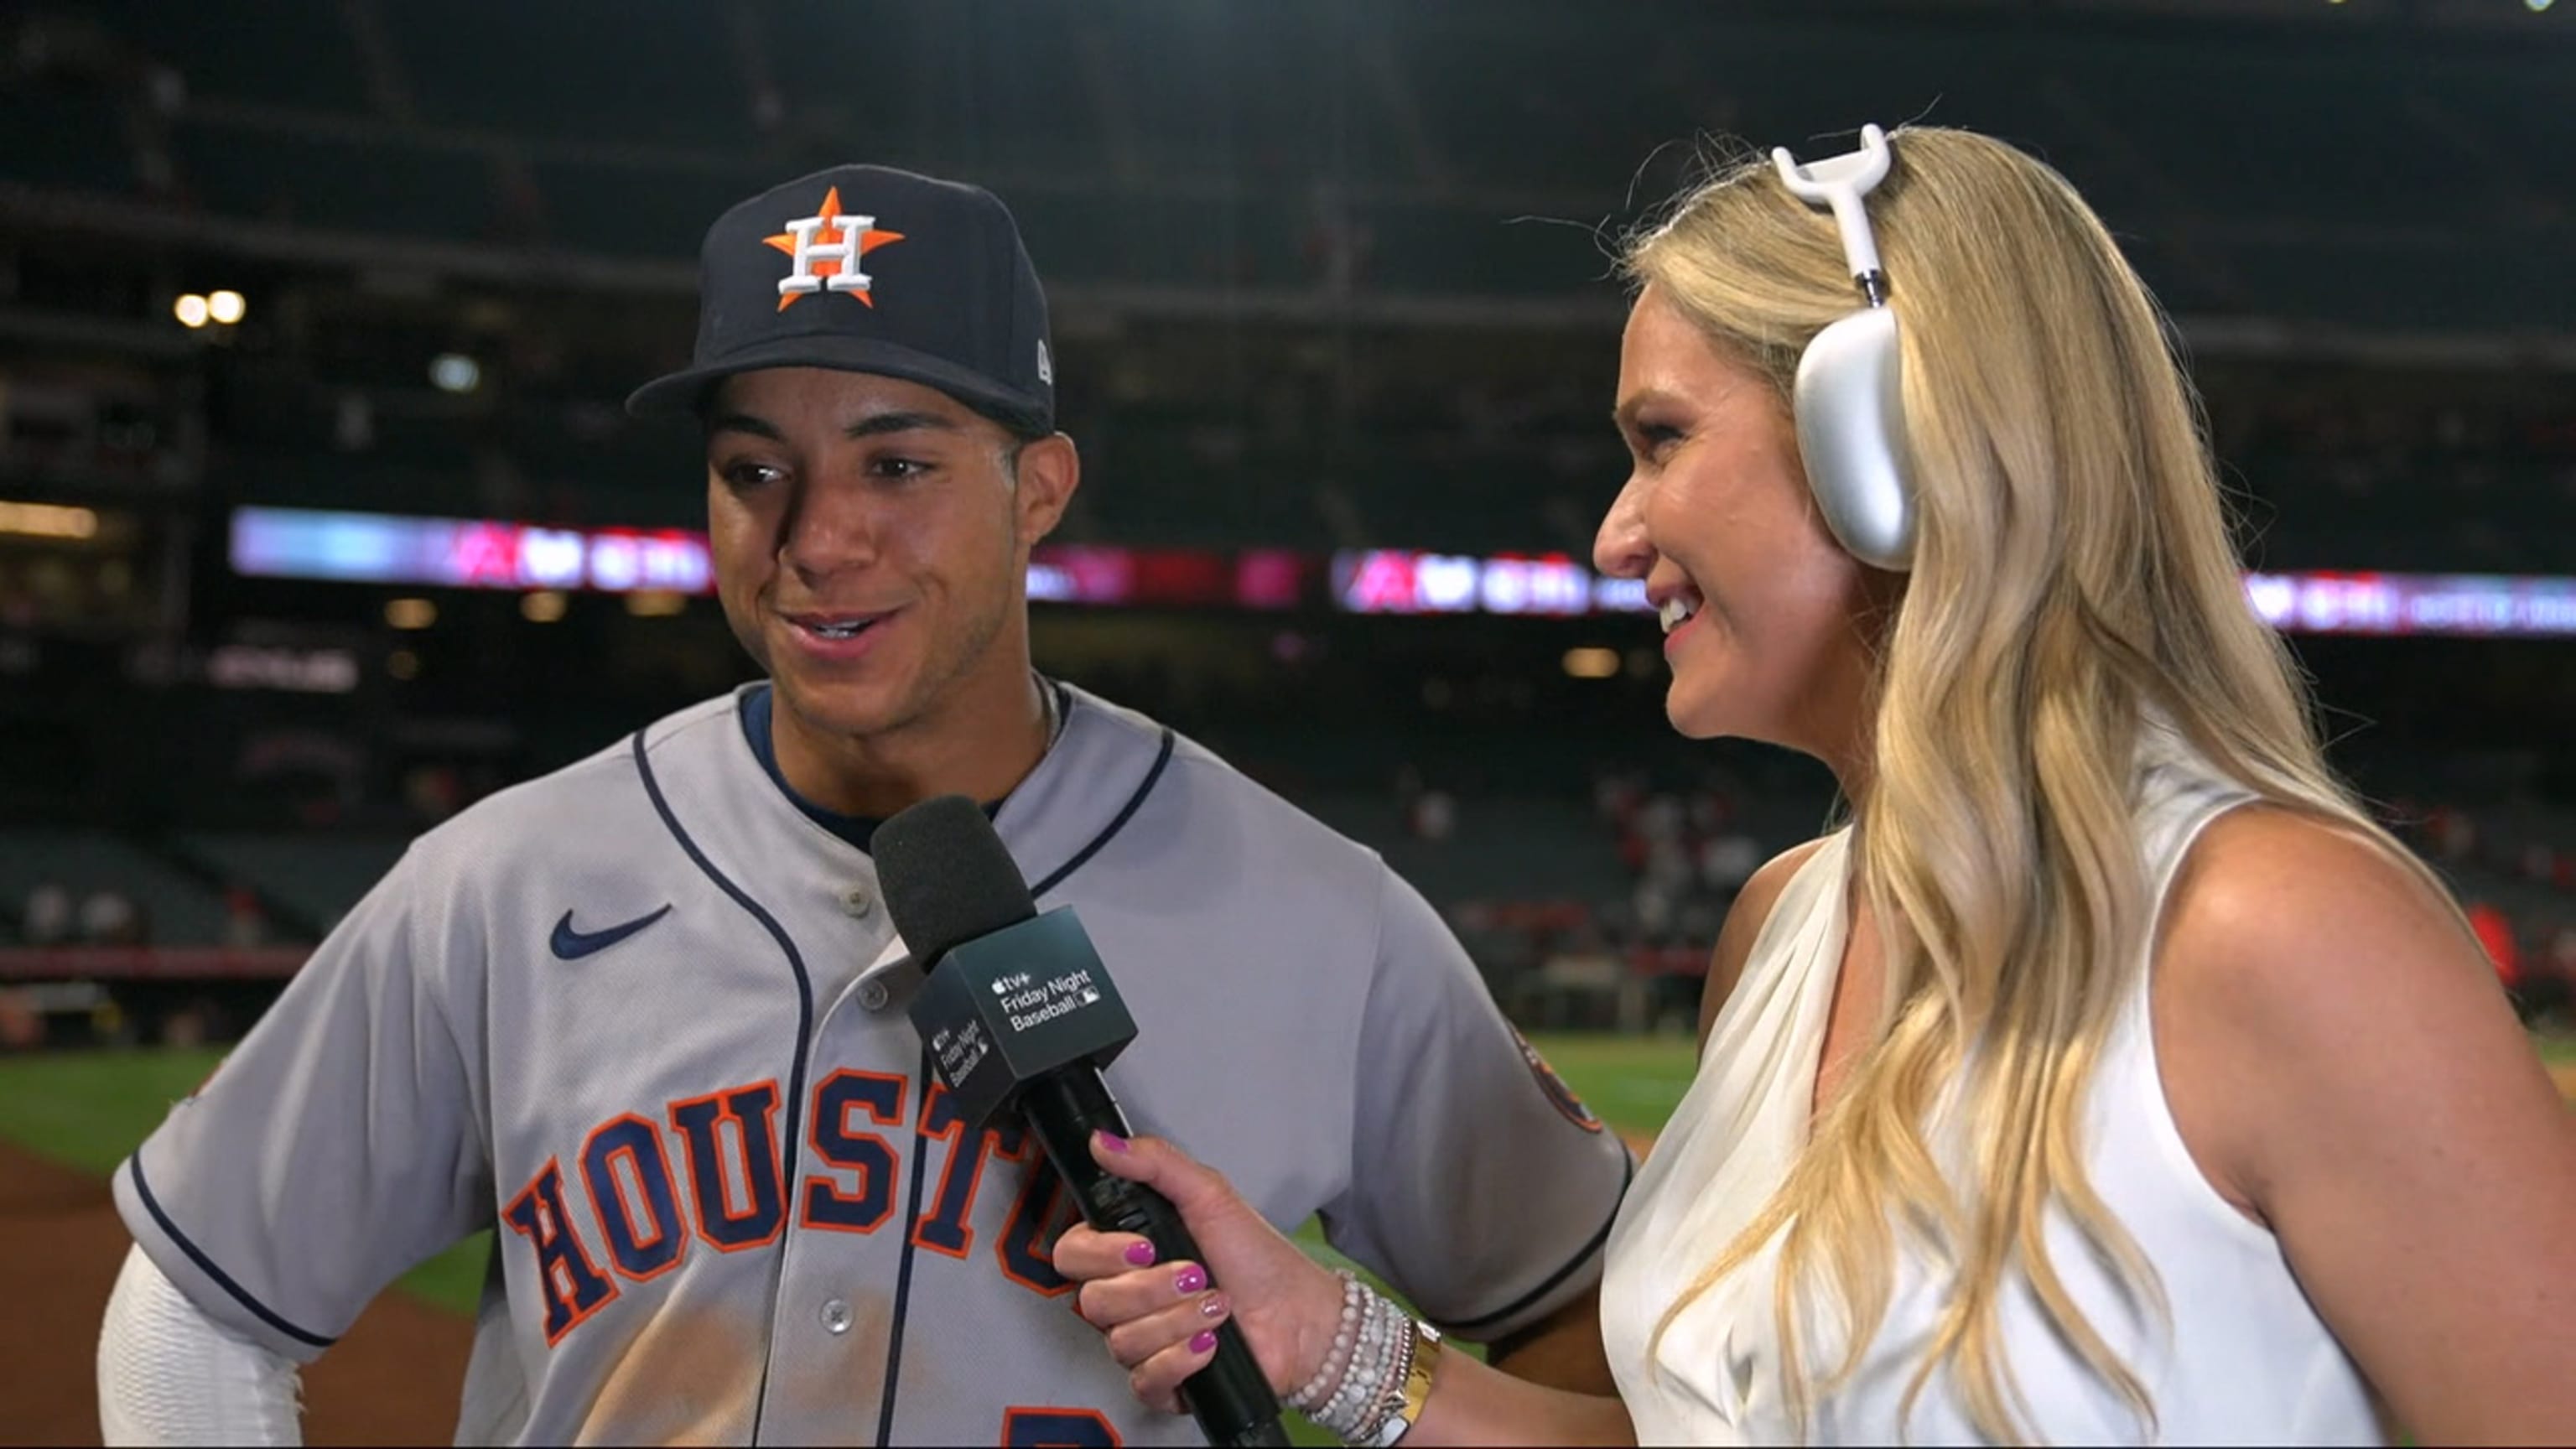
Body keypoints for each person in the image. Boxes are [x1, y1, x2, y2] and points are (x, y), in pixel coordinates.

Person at [1053, 125, 2576, 1446]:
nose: (1614, 534)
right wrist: (1323, 1337)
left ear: (1896, 442)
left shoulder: (2270, 931)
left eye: (1662, 442)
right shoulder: (1784, 926)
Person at [93, 164, 1631, 1445]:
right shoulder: (503, 882)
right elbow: (197, 1307)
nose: (816, 541)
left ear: (1038, 489)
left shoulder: (1316, 912)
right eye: (755, 470)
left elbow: (1588, 1322)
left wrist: (1372, 1379)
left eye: (897, 463)